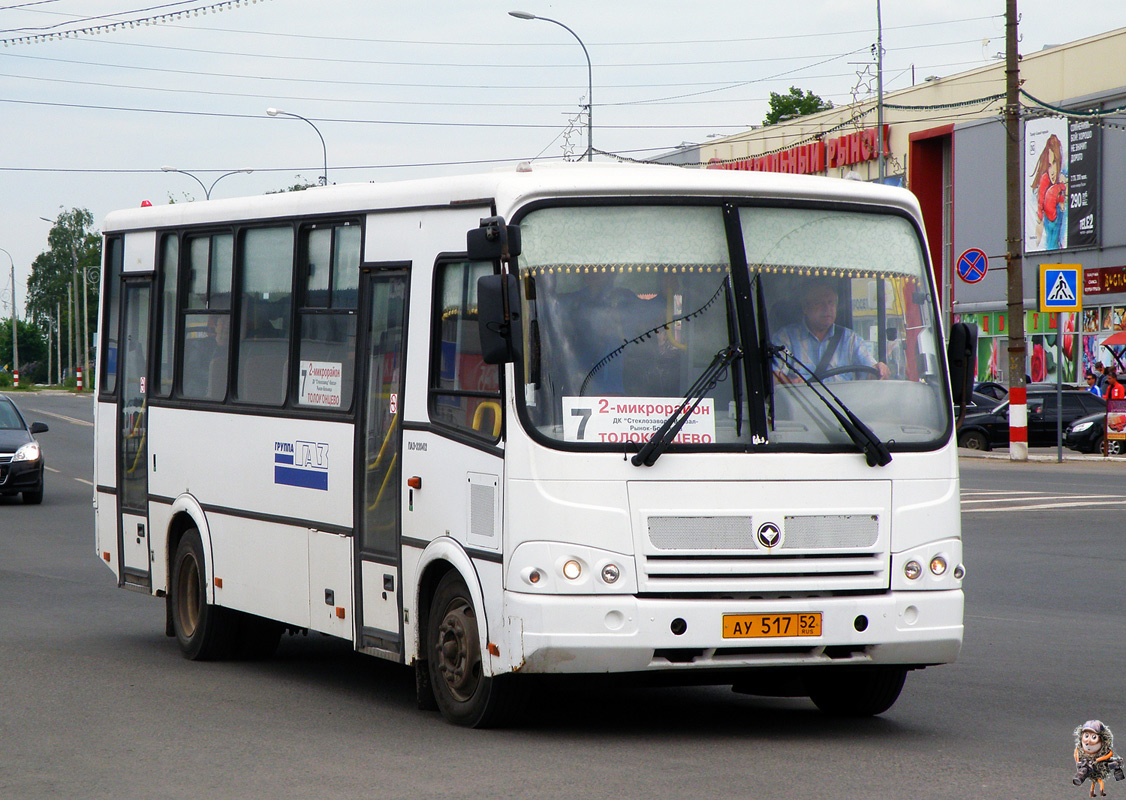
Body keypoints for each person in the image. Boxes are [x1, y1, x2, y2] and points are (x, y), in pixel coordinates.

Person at [773, 278, 889, 383]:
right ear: (805, 307)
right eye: (819, 303)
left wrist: (879, 369)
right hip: (802, 405)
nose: (827, 308)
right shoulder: (786, 338)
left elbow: (870, 372)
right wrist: (790, 384)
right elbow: (774, 376)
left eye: (831, 303)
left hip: (843, 405)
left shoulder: (850, 339)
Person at [1030, 133, 1067, 250]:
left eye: (1055, 163)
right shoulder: (1044, 182)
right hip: (1050, 248)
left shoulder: (1062, 181)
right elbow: (1040, 205)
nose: (1052, 171)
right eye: (1049, 165)